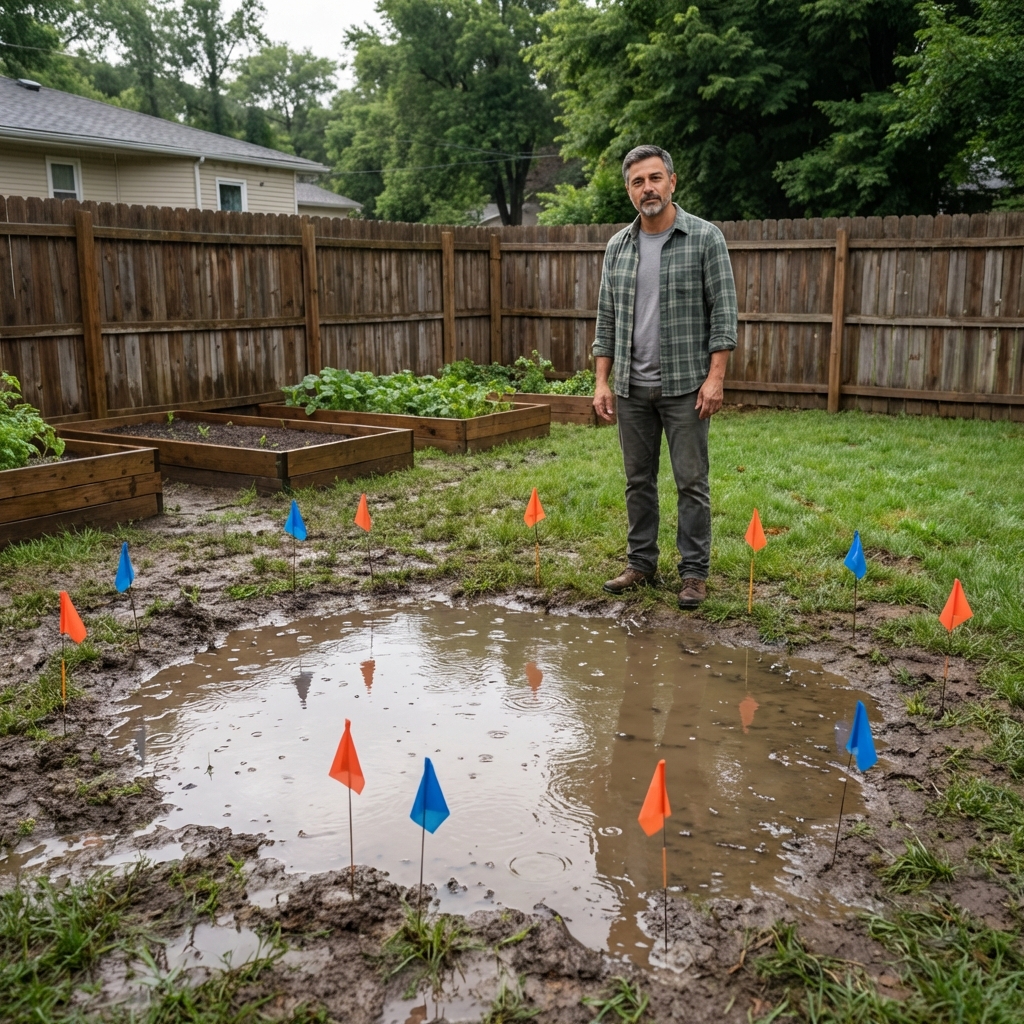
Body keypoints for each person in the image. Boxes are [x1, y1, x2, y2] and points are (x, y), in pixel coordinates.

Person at [593, 145, 737, 608]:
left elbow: (724, 314)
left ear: (672, 182)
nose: (647, 188)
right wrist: (601, 381)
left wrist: (715, 378)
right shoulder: (618, 246)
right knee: (638, 481)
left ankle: (694, 574)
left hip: (685, 387)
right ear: (629, 190)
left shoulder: (704, 237)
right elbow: (606, 320)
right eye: (638, 181)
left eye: (655, 178)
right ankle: (641, 564)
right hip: (631, 388)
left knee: (691, 482)